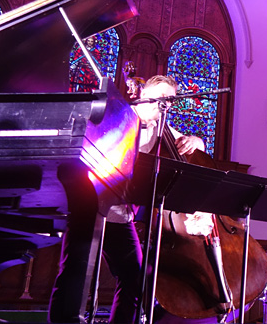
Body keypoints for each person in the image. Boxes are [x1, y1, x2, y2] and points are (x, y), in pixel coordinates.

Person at [50, 75, 204, 324]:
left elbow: (198, 148)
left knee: (136, 277)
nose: (163, 105)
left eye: (169, 102)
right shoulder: (119, 112)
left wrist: (197, 140)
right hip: (90, 204)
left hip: (121, 215)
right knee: (76, 268)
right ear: (144, 95)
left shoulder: (161, 129)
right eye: (159, 98)